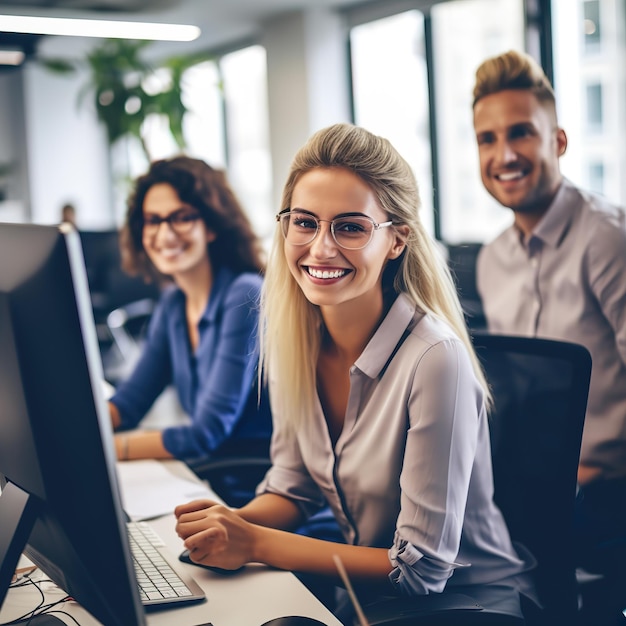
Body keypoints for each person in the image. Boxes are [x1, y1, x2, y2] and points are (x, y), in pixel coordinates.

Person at [174, 123, 536, 621]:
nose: (320, 248)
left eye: (349, 227)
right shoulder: (294, 340)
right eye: (304, 223)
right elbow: (292, 487)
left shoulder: (435, 360)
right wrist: (226, 524)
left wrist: (255, 542)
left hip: (469, 607)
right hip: (369, 599)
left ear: (395, 241)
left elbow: (423, 570)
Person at [473, 49, 626, 618]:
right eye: (487, 140)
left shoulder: (606, 240)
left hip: (607, 495)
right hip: (533, 490)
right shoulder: (492, 259)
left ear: (558, 141)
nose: (504, 154)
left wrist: (591, 467)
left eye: (521, 134)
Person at [109, 156, 272, 502]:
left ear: (211, 226)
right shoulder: (173, 304)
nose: (165, 234)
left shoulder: (245, 294)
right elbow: (129, 403)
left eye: (182, 217)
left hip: (256, 495)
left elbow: (207, 432)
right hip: (206, 483)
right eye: (153, 220)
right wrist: (69, 431)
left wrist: (107, 447)